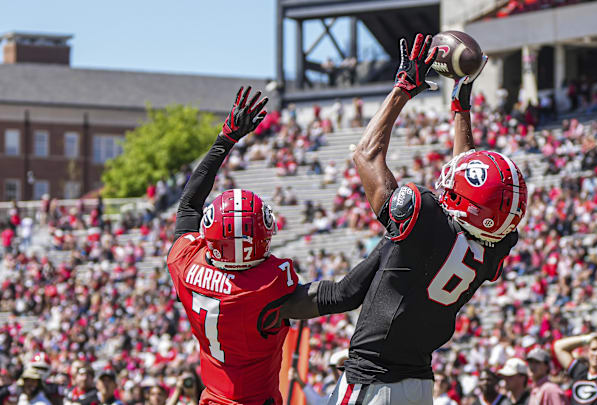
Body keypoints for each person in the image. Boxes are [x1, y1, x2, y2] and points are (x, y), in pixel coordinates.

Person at [298, 32, 525, 405]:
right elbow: (466, 180)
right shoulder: (495, 245)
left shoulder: (426, 220)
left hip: (374, 382)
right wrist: (459, 105)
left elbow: (367, 156)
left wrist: (404, 87)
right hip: (419, 383)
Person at [168, 86, 300, 405]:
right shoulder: (267, 285)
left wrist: (225, 138)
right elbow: (341, 294)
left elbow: (188, 207)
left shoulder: (186, 265)